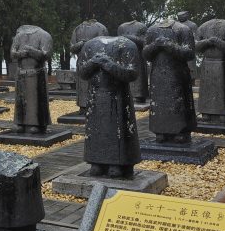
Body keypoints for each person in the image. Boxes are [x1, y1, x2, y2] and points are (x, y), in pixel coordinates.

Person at [80, 34, 140, 177]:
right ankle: (96, 161)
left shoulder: (127, 45)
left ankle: (118, 162)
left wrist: (108, 64)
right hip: (95, 98)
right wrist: (93, 62)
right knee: (96, 129)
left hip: (118, 97)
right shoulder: (89, 46)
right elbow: (82, 72)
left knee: (117, 128)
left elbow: (132, 74)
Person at [144, 18, 197, 143]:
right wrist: (155, 45)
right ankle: (160, 130)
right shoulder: (151, 30)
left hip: (177, 73)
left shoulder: (183, 29)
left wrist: (169, 45)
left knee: (179, 102)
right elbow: (145, 54)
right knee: (159, 102)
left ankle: (181, 131)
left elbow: (189, 53)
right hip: (158, 73)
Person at [195, 18, 225, 123]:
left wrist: (217, 41)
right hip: (207, 63)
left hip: (222, 62)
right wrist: (208, 41)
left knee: (223, 88)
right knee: (206, 89)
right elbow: (196, 46)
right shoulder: (202, 27)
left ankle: (224, 113)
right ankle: (206, 112)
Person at [11, 25, 53, 134]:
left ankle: (36, 123)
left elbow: (46, 54)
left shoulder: (44, 35)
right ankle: (20, 122)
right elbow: (12, 53)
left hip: (36, 72)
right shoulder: (19, 36)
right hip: (21, 72)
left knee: (35, 99)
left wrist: (31, 51)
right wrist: (22, 53)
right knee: (20, 100)